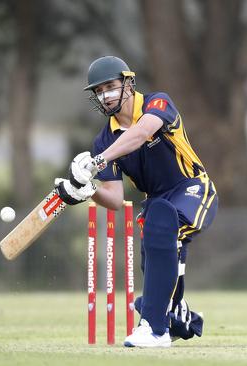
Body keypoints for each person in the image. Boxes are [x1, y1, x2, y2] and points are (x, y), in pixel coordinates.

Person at [55, 55, 218, 348]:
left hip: (193, 188)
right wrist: (87, 190)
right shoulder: (104, 141)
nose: (105, 96)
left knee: (162, 220)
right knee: (159, 225)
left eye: (111, 87)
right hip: (157, 203)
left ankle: (154, 328)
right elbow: (115, 199)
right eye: (99, 91)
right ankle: (177, 316)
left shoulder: (158, 103)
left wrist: (98, 161)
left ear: (128, 83)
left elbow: (142, 133)